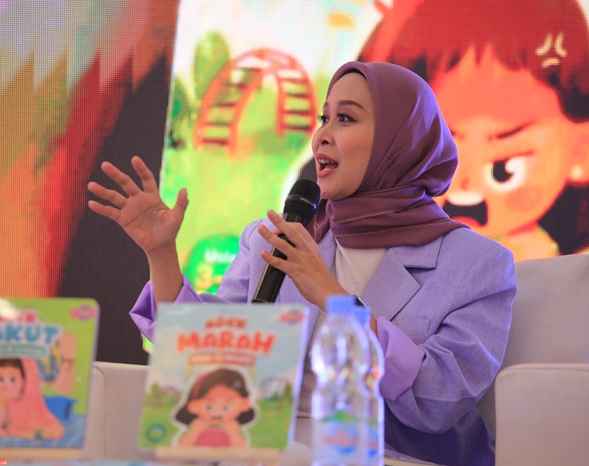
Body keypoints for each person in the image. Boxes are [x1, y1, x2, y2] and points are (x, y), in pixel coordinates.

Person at [88, 60, 516, 466]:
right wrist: (161, 254)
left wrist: (336, 301)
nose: (322, 136)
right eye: (323, 118)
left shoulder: (477, 264)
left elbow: (440, 397)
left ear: (398, 142)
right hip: (262, 449)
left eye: (345, 118)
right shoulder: (274, 237)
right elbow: (210, 357)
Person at [358, 0, 589, 260]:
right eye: (434, 159)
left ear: (581, 150)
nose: (466, 188)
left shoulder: (542, 258)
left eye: (504, 168)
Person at [173, 368, 255, 448]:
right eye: (209, 407)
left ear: (244, 405)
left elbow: (241, 452)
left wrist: (234, 434)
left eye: (226, 408)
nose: (217, 412)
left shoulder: (233, 428)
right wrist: (194, 432)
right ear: (194, 406)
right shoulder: (196, 426)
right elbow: (181, 449)